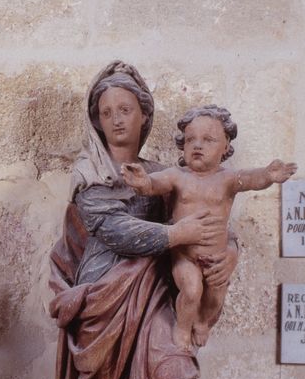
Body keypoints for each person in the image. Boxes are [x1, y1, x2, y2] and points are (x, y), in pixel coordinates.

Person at [49, 61, 237, 379]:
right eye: (107, 111)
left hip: (155, 294)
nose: (116, 119)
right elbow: (112, 229)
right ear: (96, 118)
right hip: (100, 300)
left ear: (143, 115)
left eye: (126, 109)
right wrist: (176, 235)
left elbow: (209, 216)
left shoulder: (165, 174)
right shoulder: (88, 172)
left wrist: (227, 255)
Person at [122, 105, 296, 350]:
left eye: (208, 139)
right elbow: (154, 184)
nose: (198, 145)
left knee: (215, 298)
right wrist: (143, 182)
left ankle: (203, 323)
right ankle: (182, 328)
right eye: (191, 139)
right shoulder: (177, 176)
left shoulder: (227, 179)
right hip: (185, 256)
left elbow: (250, 179)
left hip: (217, 258)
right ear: (182, 144)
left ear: (225, 146)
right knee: (191, 290)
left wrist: (268, 175)